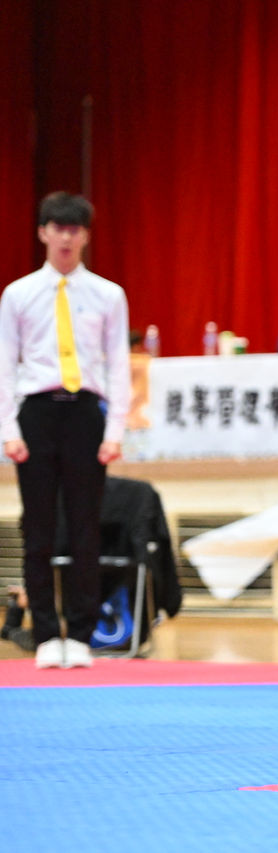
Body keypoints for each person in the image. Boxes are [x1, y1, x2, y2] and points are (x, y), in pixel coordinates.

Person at [0, 192, 130, 669]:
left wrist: (114, 430)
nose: (66, 238)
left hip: (84, 414)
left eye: (75, 229)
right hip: (36, 413)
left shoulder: (108, 294)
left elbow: (118, 363)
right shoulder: (18, 294)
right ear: (43, 232)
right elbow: (5, 364)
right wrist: (8, 429)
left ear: (86, 236)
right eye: (58, 228)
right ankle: (44, 634)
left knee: (84, 529)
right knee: (36, 529)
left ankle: (79, 633)